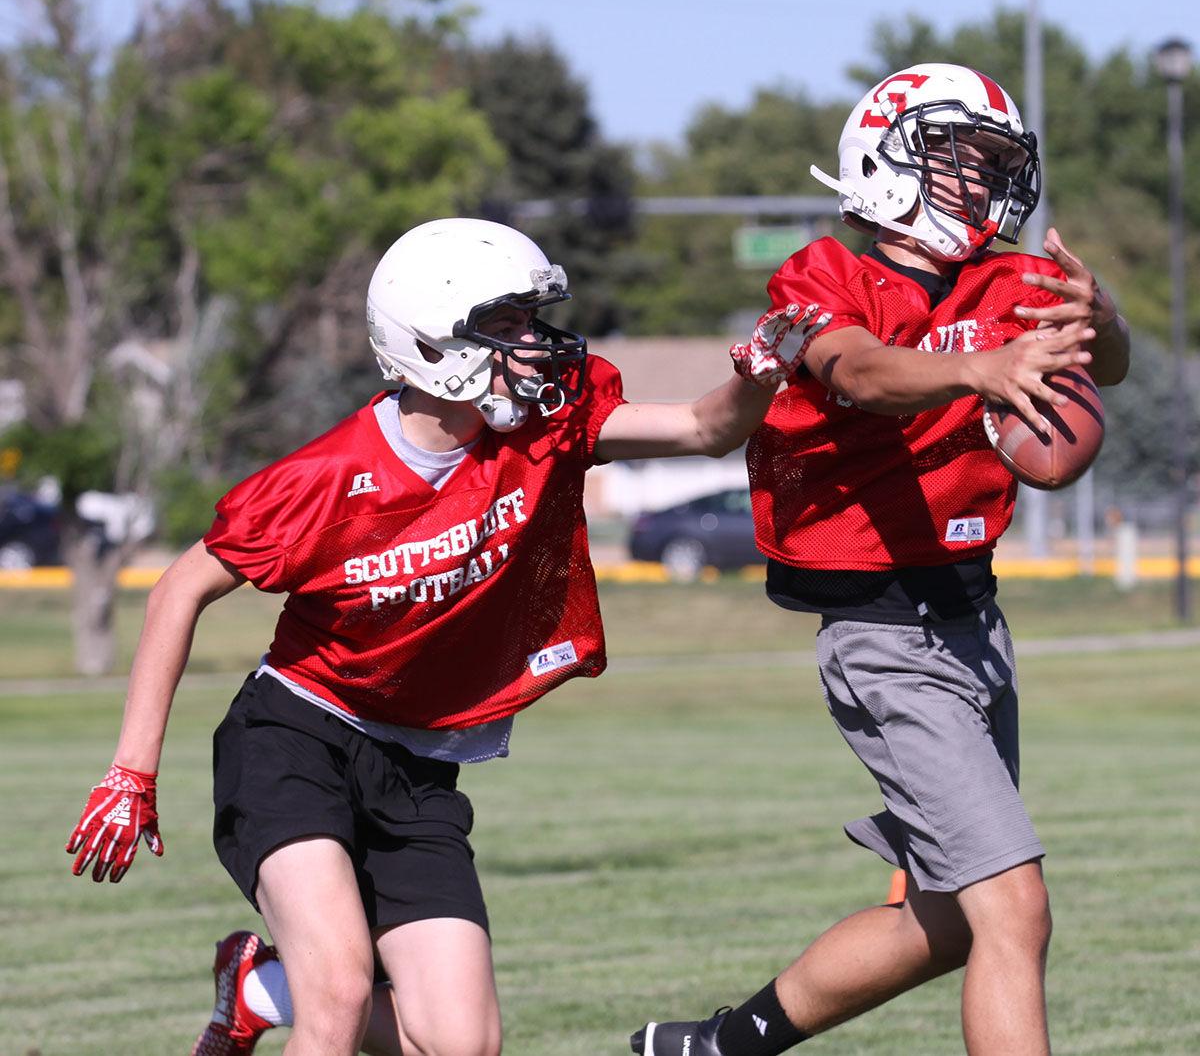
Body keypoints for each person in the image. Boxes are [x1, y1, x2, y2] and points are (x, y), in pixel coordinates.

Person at [64, 217, 827, 1056]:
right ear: (426, 341)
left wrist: (760, 374)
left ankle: (257, 986)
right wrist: (131, 770)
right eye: (504, 327)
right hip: (294, 738)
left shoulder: (544, 427)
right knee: (342, 994)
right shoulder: (325, 478)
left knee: (462, 1045)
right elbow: (178, 589)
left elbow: (702, 429)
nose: (533, 344)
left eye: (531, 322)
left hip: (417, 765)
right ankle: (294, 989)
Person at [631, 62, 1130, 1056]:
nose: (985, 184)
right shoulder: (824, 274)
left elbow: (1101, 367)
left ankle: (722, 1045)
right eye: (962, 161)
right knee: (1014, 909)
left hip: (975, 624)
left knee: (949, 921)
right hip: (882, 636)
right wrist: (975, 370)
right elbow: (856, 368)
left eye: (998, 165)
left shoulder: (1017, 282)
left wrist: (1102, 321)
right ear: (889, 160)